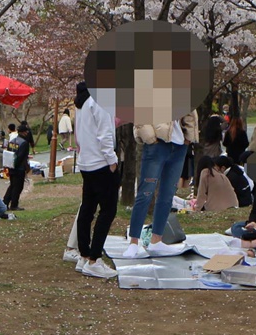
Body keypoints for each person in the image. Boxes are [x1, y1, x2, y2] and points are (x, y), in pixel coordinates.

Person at [125, 110, 197, 259]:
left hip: (179, 145)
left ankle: (156, 240)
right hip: (157, 144)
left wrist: (188, 138)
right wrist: (150, 138)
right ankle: (133, 242)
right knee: (146, 193)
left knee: (167, 194)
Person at [72, 82, 120, 278]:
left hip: (86, 162)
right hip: (101, 162)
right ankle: (94, 258)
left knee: (88, 208)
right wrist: (112, 160)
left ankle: (84, 255)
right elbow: (105, 133)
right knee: (108, 210)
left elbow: (79, 134)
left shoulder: (82, 102)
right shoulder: (100, 100)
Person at [3, 124, 32, 211]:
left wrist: (10, 165)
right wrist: (25, 167)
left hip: (11, 166)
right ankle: (14, 205)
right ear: (23, 132)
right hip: (19, 168)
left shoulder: (12, 141)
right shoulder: (24, 143)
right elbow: (22, 156)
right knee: (18, 187)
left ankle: (5, 202)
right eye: (26, 131)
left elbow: (8, 153)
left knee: (12, 185)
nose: (27, 133)